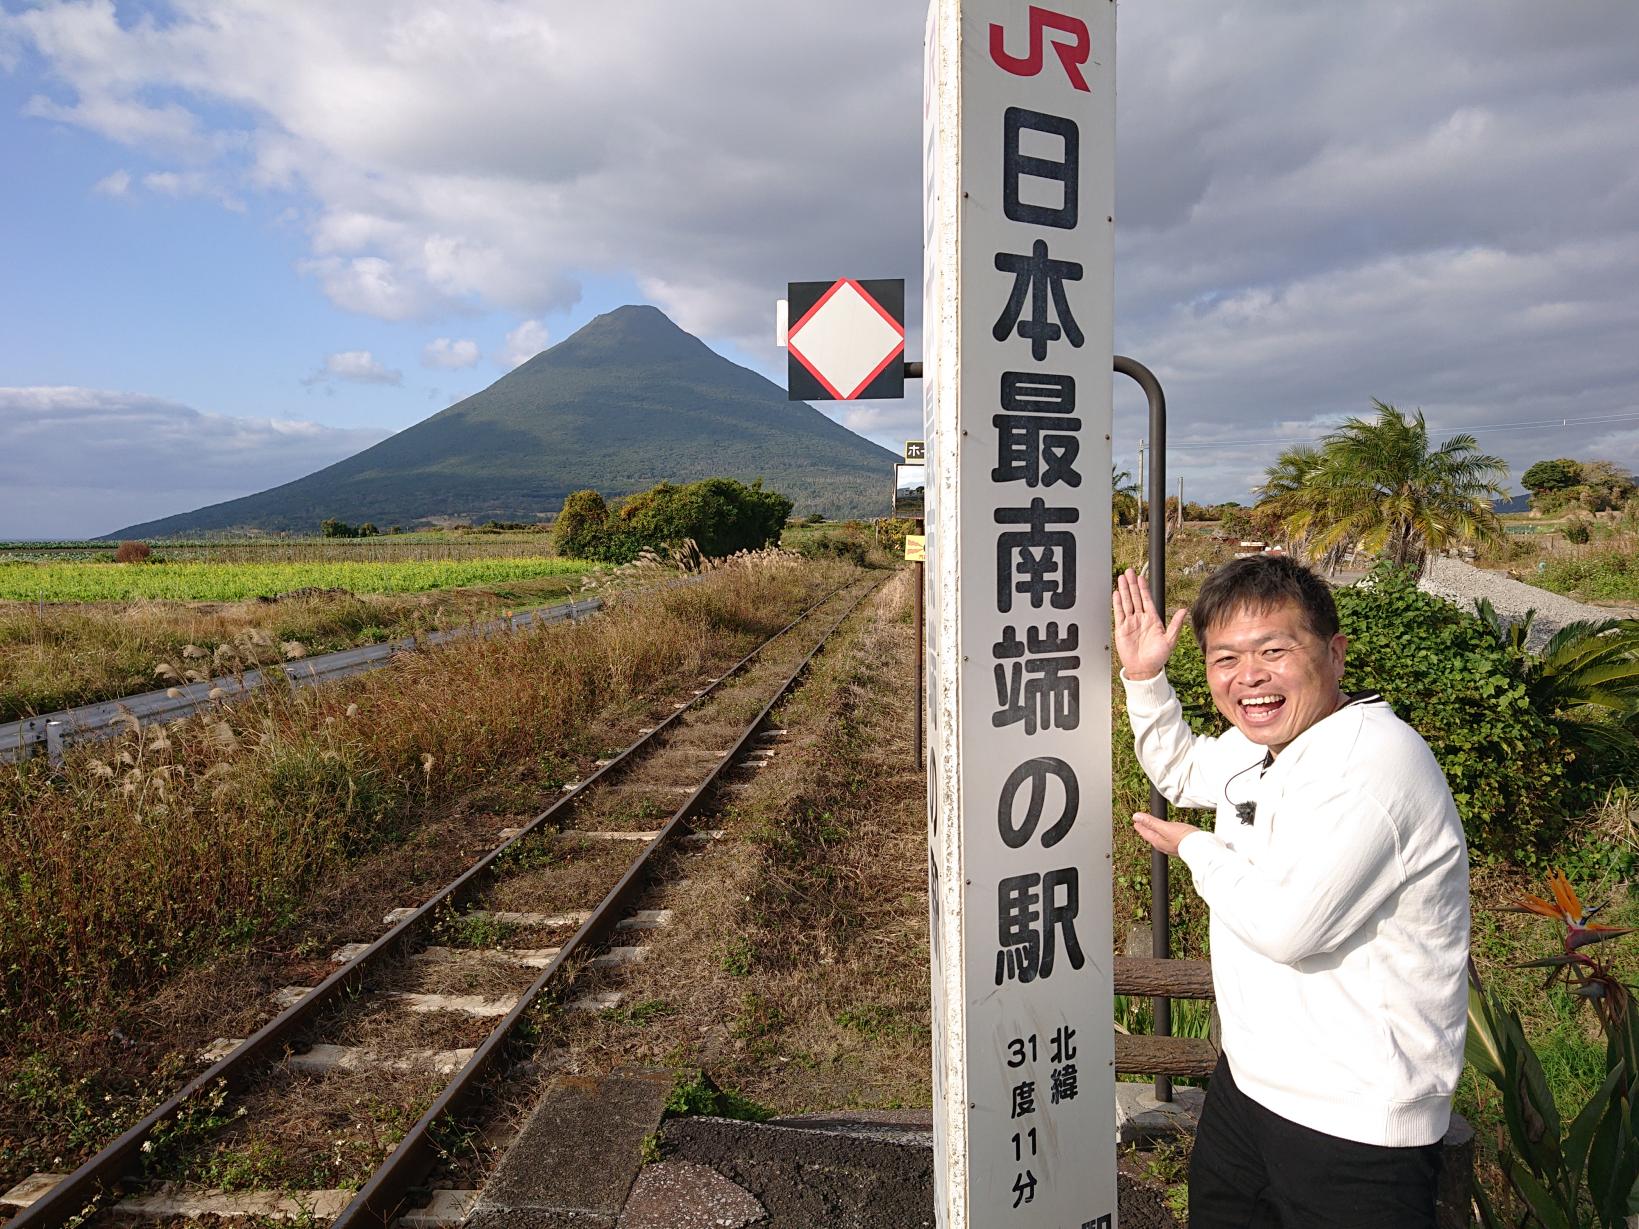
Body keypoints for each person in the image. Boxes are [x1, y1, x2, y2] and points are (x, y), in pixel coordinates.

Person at [1112, 555, 1469, 1228]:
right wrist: (1143, 676)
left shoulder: (1372, 763)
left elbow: (1287, 927)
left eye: (1273, 650)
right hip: (1247, 1091)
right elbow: (1184, 766)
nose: (1247, 676)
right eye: (1224, 658)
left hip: (1355, 1123)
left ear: (1333, 652)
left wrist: (1196, 846)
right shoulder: (1262, 747)